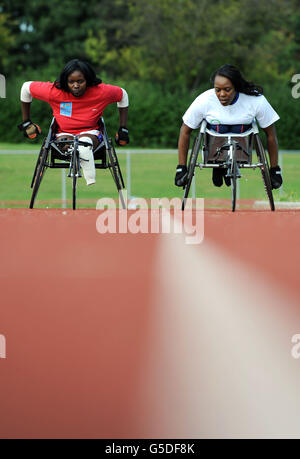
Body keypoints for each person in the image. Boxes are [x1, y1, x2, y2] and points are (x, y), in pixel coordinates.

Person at [18, 59, 129, 186]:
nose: (76, 85)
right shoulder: (54, 91)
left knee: (84, 142)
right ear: (66, 81)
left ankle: (89, 176)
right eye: (71, 82)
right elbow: (26, 87)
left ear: (88, 80)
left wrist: (123, 128)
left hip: (91, 132)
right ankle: (78, 152)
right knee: (68, 142)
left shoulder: (101, 91)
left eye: (80, 81)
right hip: (63, 134)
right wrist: (26, 122)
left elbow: (123, 95)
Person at [175, 64, 283, 189]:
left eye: (227, 89)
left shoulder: (255, 100)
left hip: (242, 146)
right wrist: (181, 167)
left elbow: (270, 134)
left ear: (236, 87)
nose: (222, 94)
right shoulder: (204, 100)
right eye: (217, 90)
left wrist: (274, 168)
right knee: (219, 129)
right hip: (214, 145)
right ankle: (218, 164)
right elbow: (185, 130)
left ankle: (225, 164)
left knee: (239, 128)